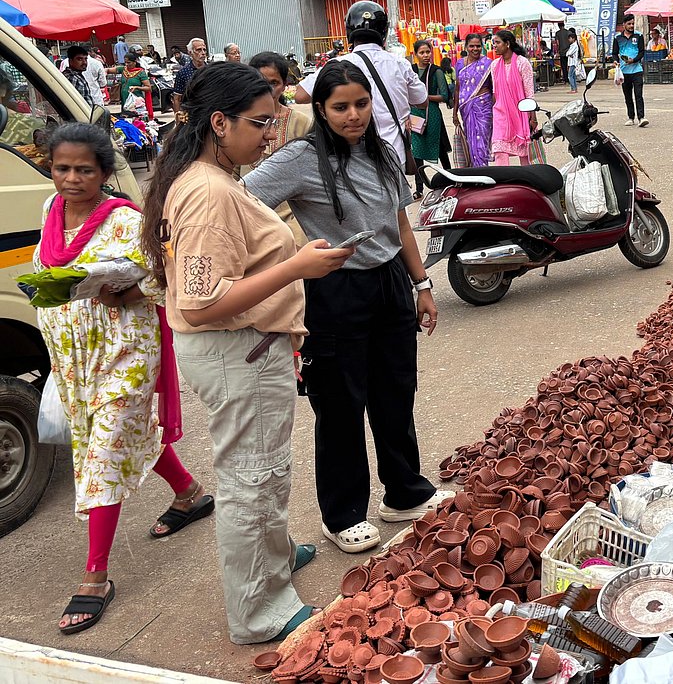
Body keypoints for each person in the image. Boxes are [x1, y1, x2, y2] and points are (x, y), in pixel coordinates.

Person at [141, 62, 353, 644]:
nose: (270, 133)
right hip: (239, 352)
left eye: (275, 118)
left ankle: (276, 558)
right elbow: (205, 299)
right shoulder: (208, 191)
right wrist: (297, 267)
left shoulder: (200, 177)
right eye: (260, 122)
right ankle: (258, 609)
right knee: (250, 478)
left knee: (262, 470)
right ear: (218, 122)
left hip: (242, 349)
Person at [244, 60, 451, 555]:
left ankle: (405, 493)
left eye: (361, 104)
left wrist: (421, 285)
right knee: (339, 407)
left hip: (390, 287)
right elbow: (240, 203)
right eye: (340, 107)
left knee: (395, 393)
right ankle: (343, 515)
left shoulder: (380, 148)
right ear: (320, 109)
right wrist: (286, 260)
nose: (353, 115)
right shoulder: (299, 159)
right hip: (335, 292)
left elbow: (399, 225)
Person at [36, 123, 210, 635]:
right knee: (123, 434)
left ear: (105, 172)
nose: (71, 179)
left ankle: (95, 576)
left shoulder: (127, 220)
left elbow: (168, 273)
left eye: (83, 170)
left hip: (125, 349)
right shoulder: (49, 211)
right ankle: (189, 493)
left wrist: (129, 295)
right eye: (62, 168)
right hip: (74, 356)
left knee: (106, 448)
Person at [298, 3, 427, 167]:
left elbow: (300, 95)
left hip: (352, 158)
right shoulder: (400, 64)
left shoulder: (338, 64)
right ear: (384, 32)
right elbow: (422, 100)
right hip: (394, 155)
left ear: (349, 31)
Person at [248, 51, 313, 160]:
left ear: (284, 85)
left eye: (274, 83)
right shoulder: (240, 120)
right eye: (261, 82)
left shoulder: (302, 123)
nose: (268, 89)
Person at [410, 39, 454, 195]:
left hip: (432, 113)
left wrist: (424, 97)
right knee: (416, 151)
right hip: (415, 114)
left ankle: (451, 179)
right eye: (421, 52)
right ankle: (419, 188)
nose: (425, 55)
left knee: (439, 147)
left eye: (428, 52)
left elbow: (443, 95)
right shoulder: (411, 70)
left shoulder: (437, 71)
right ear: (415, 54)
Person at [489, 29, 536, 165]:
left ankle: (527, 180)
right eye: (494, 43)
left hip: (520, 113)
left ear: (507, 44)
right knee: (499, 149)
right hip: (501, 114)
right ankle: (503, 182)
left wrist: (533, 117)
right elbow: (495, 92)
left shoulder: (522, 63)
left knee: (524, 152)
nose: (495, 46)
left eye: (497, 42)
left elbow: (529, 92)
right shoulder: (494, 65)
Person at [453, 33, 494, 168]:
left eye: (478, 46)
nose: (475, 49)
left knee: (482, 141)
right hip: (466, 109)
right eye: (471, 46)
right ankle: (476, 173)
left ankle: (483, 171)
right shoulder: (459, 64)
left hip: (484, 108)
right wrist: (454, 113)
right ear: (466, 47)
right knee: (471, 141)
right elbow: (458, 89)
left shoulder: (488, 64)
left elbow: (494, 88)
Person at [612, 13, 647, 127]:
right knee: (627, 96)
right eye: (629, 24)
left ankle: (641, 117)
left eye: (633, 23)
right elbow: (614, 53)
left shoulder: (639, 36)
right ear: (624, 25)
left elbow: (642, 52)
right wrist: (616, 61)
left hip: (637, 70)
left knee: (638, 95)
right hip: (624, 72)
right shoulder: (618, 38)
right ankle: (631, 117)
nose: (632, 26)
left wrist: (634, 60)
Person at [109, 50, 154, 120]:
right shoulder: (123, 69)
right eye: (125, 62)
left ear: (134, 62)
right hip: (125, 100)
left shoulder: (141, 72)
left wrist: (137, 87)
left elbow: (148, 88)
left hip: (136, 101)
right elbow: (108, 70)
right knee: (127, 119)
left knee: (137, 120)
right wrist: (105, 71)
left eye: (128, 62)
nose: (126, 64)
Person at [172, 37, 208, 114]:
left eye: (204, 49)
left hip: (210, 113)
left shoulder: (212, 70)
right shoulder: (183, 73)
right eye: (198, 50)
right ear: (190, 52)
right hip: (192, 114)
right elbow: (177, 98)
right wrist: (178, 118)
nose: (203, 53)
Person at [554, 20, 571, 86]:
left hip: (562, 52)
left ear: (558, 26)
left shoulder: (557, 33)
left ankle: (565, 79)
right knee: (569, 66)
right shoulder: (568, 32)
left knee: (563, 67)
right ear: (564, 25)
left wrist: (558, 51)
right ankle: (570, 78)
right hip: (569, 52)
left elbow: (557, 43)